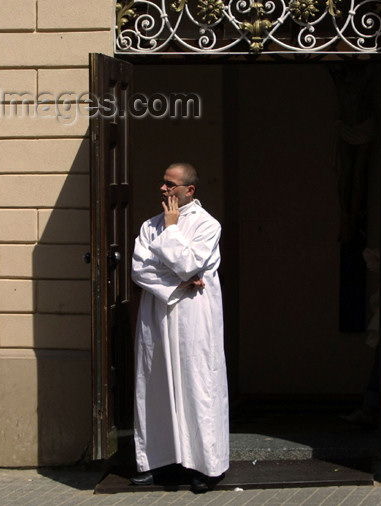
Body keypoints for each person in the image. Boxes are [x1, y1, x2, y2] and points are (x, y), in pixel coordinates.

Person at [130, 162, 229, 493]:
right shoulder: (149, 226)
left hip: (194, 317)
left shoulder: (207, 225)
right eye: (162, 183)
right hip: (158, 313)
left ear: (189, 190)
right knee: (156, 383)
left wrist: (172, 232)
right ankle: (158, 460)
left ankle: (207, 464)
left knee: (197, 383)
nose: (163, 189)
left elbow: (191, 263)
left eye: (171, 184)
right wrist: (179, 281)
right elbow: (140, 271)